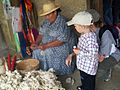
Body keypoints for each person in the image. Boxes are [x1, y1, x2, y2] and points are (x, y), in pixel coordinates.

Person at [30, 0, 77, 75]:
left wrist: (45, 46)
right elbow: (41, 34)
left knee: (47, 52)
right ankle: (43, 71)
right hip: (47, 44)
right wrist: (36, 43)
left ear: (55, 12)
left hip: (64, 46)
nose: (46, 17)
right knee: (36, 51)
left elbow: (61, 41)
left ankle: (53, 72)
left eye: (48, 14)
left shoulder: (63, 23)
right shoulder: (46, 22)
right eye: (45, 15)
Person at [66, 11, 99, 90]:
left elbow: (93, 54)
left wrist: (80, 52)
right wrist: (71, 55)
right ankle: (84, 87)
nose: (75, 27)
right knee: (83, 79)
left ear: (82, 26)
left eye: (75, 26)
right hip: (83, 66)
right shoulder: (83, 34)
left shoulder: (90, 38)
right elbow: (80, 48)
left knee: (89, 83)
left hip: (88, 68)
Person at [88, 9, 120, 82]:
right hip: (103, 51)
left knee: (96, 69)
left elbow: (102, 56)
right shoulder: (91, 30)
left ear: (91, 24)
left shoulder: (105, 33)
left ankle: (107, 71)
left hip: (113, 55)